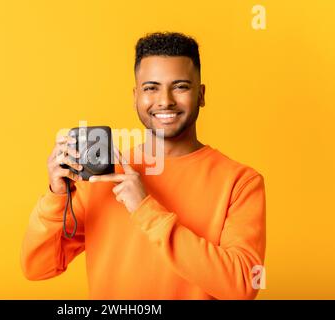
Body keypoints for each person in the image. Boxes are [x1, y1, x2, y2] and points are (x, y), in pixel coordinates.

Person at [21, 32, 266, 300]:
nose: (165, 100)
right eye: (151, 88)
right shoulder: (102, 177)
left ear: (202, 94)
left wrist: (144, 209)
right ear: (136, 96)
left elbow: (242, 286)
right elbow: (37, 267)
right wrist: (56, 197)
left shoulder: (241, 181)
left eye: (181, 86)